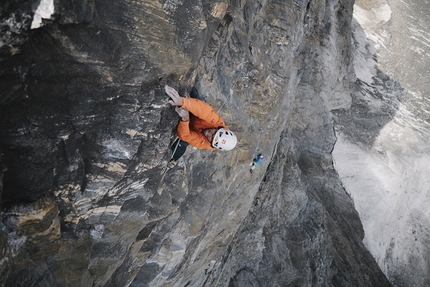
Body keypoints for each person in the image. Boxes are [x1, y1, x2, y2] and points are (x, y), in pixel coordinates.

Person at [165, 85, 237, 167]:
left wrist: (185, 118)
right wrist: (182, 102)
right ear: (218, 128)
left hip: (191, 127)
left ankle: (172, 159)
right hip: (197, 116)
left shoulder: (205, 144)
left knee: (183, 143)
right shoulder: (216, 121)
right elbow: (202, 109)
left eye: (212, 138)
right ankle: (190, 86)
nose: (210, 133)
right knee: (198, 100)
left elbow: (185, 136)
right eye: (215, 133)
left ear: (211, 143)